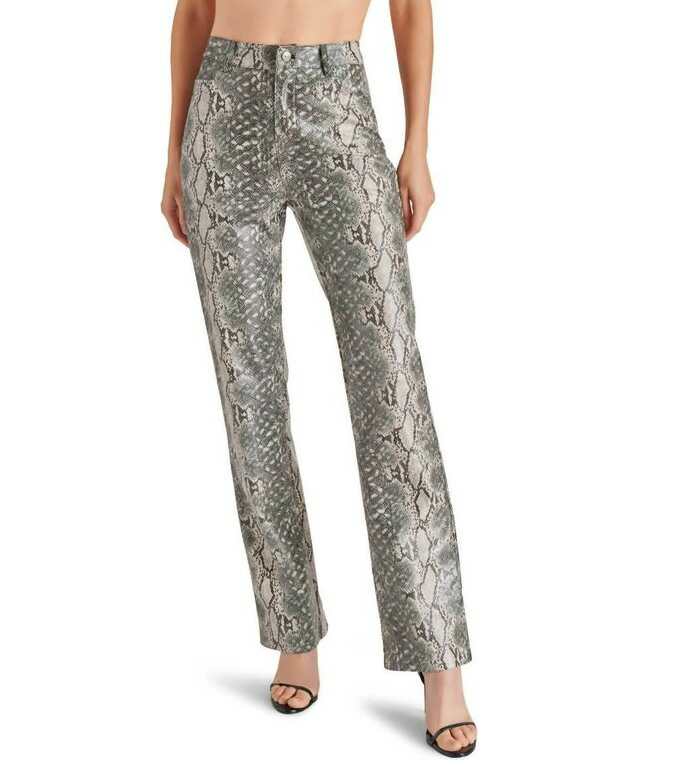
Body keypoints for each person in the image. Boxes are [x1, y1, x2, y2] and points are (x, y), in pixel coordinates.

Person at [161, 0, 476, 756]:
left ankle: (438, 655)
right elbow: (196, 9)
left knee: (391, 384)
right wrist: (173, 153)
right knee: (250, 391)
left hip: (336, 101)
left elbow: (410, 7)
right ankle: (292, 632)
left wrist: (417, 143)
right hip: (222, 108)